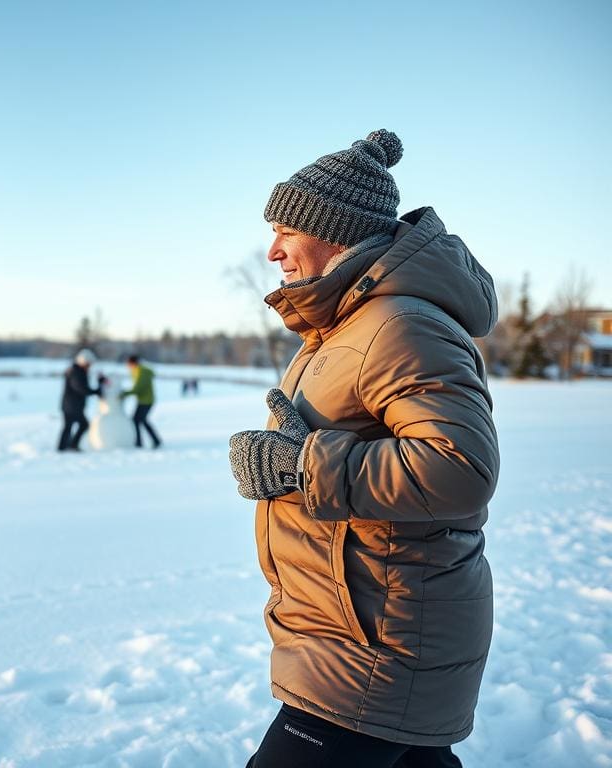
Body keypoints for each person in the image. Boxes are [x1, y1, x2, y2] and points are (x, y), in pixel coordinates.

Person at [228, 130, 499, 767]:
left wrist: (298, 467)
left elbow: (461, 468)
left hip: (374, 642)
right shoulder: (343, 326)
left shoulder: (399, 324)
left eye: (284, 230)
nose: (272, 251)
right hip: (363, 627)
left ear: (335, 230)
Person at [57, 348, 104, 452]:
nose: (90, 366)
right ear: (84, 362)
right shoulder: (76, 372)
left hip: (70, 405)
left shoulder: (76, 370)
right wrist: (96, 391)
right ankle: (68, 446)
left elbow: (82, 387)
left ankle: (64, 447)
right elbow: (81, 388)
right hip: (72, 406)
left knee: (69, 426)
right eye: (89, 364)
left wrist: (98, 384)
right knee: (83, 424)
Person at [121, 354, 161, 448]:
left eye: (128, 363)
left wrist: (124, 394)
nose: (127, 366)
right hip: (143, 400)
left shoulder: (142, 371)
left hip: (146, 400)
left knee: (138, 420)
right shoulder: (136, 371)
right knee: (139, 420)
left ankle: (142, 442)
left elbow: (138, 388)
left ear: (133, 363)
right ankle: (149, 441)